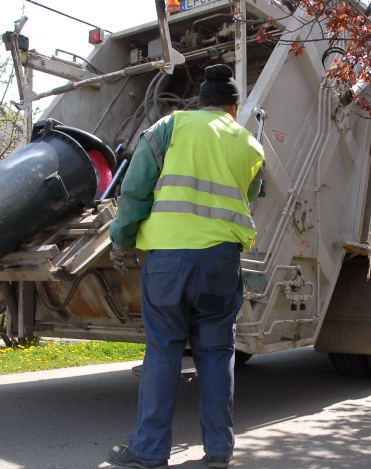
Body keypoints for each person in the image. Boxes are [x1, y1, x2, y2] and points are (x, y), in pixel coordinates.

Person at [107, 64, 265, 469]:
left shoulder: (169, 126)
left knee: (164, 352)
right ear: (232, 106)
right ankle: (219, 451)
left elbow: (135, 189)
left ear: (201, 101)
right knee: (217, 353)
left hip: (168, 260)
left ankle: (149, 452)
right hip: (221, 262)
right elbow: (254, 192)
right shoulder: (249, 142)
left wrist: (123, 239)